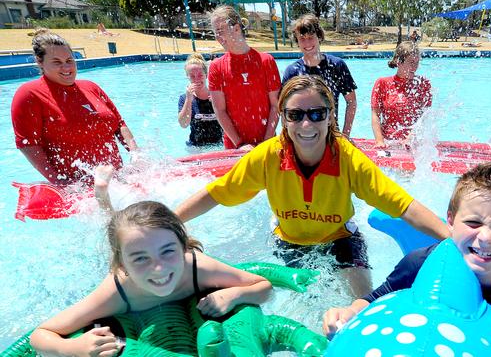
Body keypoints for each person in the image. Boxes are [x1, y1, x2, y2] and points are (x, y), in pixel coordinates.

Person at [174, 75, 450, 298]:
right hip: (289, 243)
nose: (306, 124)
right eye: (295, 115)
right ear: (283, 116)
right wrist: (169, 224)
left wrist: (453, 239)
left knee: (361, 304)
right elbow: (217, 193)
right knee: (305, 307)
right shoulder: (268, 156)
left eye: (317, 114)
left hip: (340, 239)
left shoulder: (347, 159)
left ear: (331, 116)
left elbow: (404, 205)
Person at [323, 161, 491, 356]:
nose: (487, 237)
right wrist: (348, 312)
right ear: (450, 220)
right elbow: (373, 299)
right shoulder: (419, 263)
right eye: (473, 222)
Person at [29, 200, 272, 356]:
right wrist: (71, 347)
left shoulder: (195, 267)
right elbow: (40, 334)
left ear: (184, 247)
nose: (159, 268)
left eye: (168, 251)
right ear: (122, 264)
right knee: (114, 225)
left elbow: (263, 286)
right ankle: (103, 199)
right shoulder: (117, 291)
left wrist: (235, 294)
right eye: (140, 258)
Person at [11, 28, 137, 184]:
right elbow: (28, 145)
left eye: (69, 60)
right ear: (39, 62)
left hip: (117, 182)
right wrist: (59, 182)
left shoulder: (91, 87)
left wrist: (136, 155)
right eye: (57, 62)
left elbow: (119, 124)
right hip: (76, 189)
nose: (66, 68)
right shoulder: (29, 94)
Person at [208, 5, 281, 149]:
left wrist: (265, 143)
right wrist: (240, 144)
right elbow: (219, 110)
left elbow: (275, 106)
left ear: (236, 28)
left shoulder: (266, 61)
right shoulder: (216, 67)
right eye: (215, 33)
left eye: (220, 31)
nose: (218, 38)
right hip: (234, 147)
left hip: (267, 144)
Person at [282, 14, 358, 138]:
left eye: (311, 37)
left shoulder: (337, 65)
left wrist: (345, 134)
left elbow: (351, 101)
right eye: (302, 39)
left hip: (331, 135)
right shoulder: (292, 71)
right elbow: (283, 109)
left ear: (319, 37)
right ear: (297, 41)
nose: (307, 43)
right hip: (301, 137)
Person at [371, 41, 432, 148]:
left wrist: (410, 138)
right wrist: (379, 141)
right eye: (411, 62)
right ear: (399, 62)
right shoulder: (382, 83)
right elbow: (375, 114)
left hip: (415, 143)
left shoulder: (423, 84)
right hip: (389, 142)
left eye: (417, 62)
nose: (415, 67)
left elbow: (424, 116)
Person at [178, 53, 223, 147]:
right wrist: (188, 100)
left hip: (219, 146)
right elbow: (183, 124)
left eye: (200, 75)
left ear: (206, 75)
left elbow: (232, 121)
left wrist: (217, 104)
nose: (196, 79)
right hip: (196, 147)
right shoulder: (184, 98)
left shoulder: (217, 95)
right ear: (188, 77)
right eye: (192, 76)